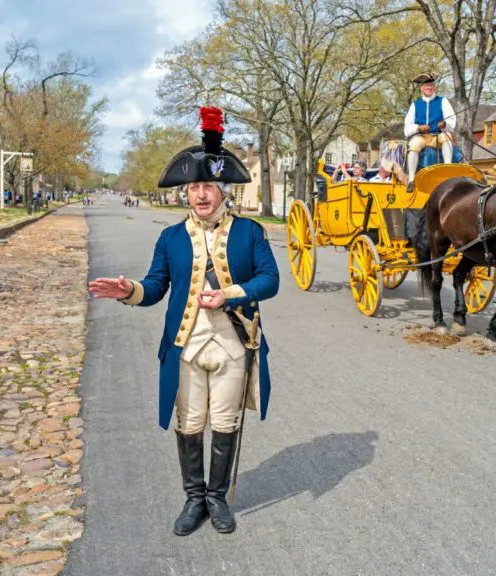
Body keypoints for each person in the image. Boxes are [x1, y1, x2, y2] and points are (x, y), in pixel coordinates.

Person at [88, 107, 279, 536]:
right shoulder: (170, 237)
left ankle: (217, 497)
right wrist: (131, 291)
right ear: (185, 194)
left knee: (225, 422)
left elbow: (270, 280)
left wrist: (230, 293)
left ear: (222, 190)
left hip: (233, 344)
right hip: (186, 346)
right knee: (190, 423)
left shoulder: (251, 233)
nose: (201, 195)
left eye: (208, 186)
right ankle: (194, 498)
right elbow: (156, 286)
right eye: (194, 187)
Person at [403, 72, 456, 193]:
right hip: (421, 137)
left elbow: (451, 119)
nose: (429, 88)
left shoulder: (443, 101)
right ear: (421, 88)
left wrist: (444, 124)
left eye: (431, 85)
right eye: (426, 86)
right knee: (413, 146)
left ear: (434, 87)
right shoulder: (415, 105)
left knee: (447, 137)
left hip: (437, 136)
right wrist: (418, 127)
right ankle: (411, 180)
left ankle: (447, 171)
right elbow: (408, 124)